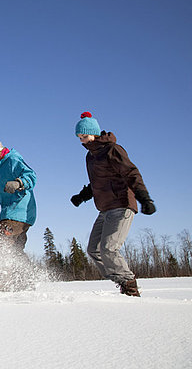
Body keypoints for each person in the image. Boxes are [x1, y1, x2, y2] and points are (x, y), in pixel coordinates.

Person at [71, 112, 156, 297]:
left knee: (109, 248)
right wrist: (81, 196)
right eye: (79, 138)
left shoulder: (113, 150)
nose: (82, 142)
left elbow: (131, 173)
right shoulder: (91, 157)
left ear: (94, 133)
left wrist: (144, 198)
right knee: (94, 250)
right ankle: (121, 281)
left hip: (121, 205)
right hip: (104, 209)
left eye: (84, 137)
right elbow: (96, 182)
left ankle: (130, 286)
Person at [0, 133, 37, 291]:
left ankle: (0, 283)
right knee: (15, 250)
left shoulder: (12, 160)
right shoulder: (1, 168)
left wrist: (19, 183)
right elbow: (6, 194)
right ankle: (26, 282)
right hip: (18, 214)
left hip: (17, 214)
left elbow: (31, 176)